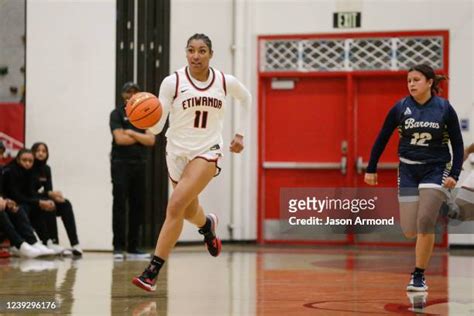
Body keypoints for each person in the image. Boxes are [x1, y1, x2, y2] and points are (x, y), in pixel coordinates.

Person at [132, 33, 251, 292]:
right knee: (187, 210)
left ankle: (152, 271)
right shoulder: (171, 82)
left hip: (207, 150)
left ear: (211, 54)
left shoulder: (223, 81)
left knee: (174, 206)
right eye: (191, 50)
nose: (196, 55)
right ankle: (207, 226)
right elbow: (157, 127)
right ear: (186, 53)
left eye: (202, 51)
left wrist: (240, 133)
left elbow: (246, 98)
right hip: (176, 152)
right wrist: (142, 119)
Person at [364, 64, 463, 292]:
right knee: (410, 230)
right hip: (408, 169)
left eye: (416, 80)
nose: (411, 84)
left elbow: (457, 144)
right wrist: (371, 168)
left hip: (436, 168)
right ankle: (425, 226)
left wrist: (455, 174)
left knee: (425, 221)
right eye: (408, 80)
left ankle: (418, 275)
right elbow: (382, 137)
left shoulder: (444, 108)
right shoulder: (400, 107)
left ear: (429, 83)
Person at [110, 82, 156, 259]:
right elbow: (120, 139)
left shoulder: (146, 112)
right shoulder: (116, 114)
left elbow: (151, 140)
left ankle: (133, 247)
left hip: (139, 164)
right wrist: (140, 136)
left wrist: (132, 133)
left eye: (135, 92)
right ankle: (118, 248)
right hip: (120, 164)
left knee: (138, 205)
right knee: (120, 205)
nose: (131, 95)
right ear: (123, 95)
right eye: (128, 92)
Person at [1, 149, 56, 256]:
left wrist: (42, 200)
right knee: (22, 207)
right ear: (17, 160)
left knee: (29, 208)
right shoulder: (9, 170)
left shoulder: (31, 172)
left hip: (11, 202)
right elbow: (14, 194)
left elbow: (32, 193)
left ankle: (38, 242)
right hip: (15, 201)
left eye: (30, 161)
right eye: (24, 160)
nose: (27, 163)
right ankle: (19, 244)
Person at [31, 142, 82, 256]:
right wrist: (48, 194)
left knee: (65, 204)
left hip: (44, 198)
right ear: (33, 152)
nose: (41, 153)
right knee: (50, 205)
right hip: (33, 202)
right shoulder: (29, 167)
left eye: (44, 151)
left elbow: (48, 189)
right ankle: (53, 242)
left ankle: (75, 244)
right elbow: (30, 192)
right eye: (38, 151)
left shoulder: (47, 169)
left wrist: (56, 196)